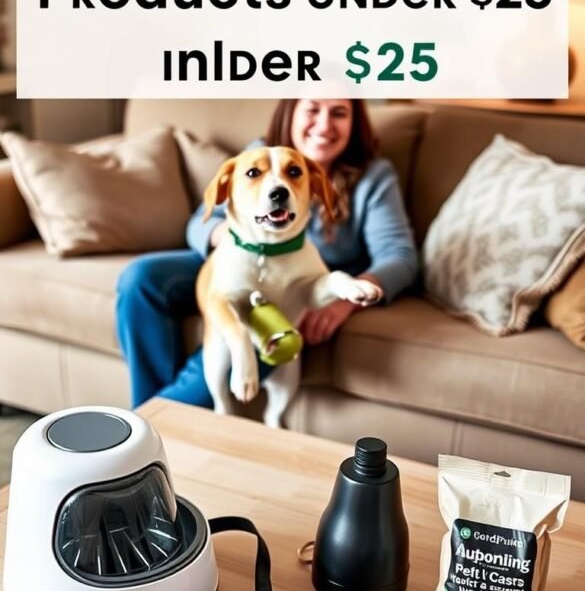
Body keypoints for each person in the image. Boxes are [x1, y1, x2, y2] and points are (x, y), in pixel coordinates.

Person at [116, 99, 418, 408]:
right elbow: (200, 222)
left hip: (291, 286)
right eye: (313, 110)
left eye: (339, 113)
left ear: (355, 124)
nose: (325, 124)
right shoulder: (259, 154)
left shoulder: (373, 176)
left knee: (240, 354)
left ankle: (149, 421)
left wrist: (345, 301)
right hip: (234, 259)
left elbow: (400, 257)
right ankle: (146, 412)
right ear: (291, 114)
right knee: (140, 279)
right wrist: (234, 241)